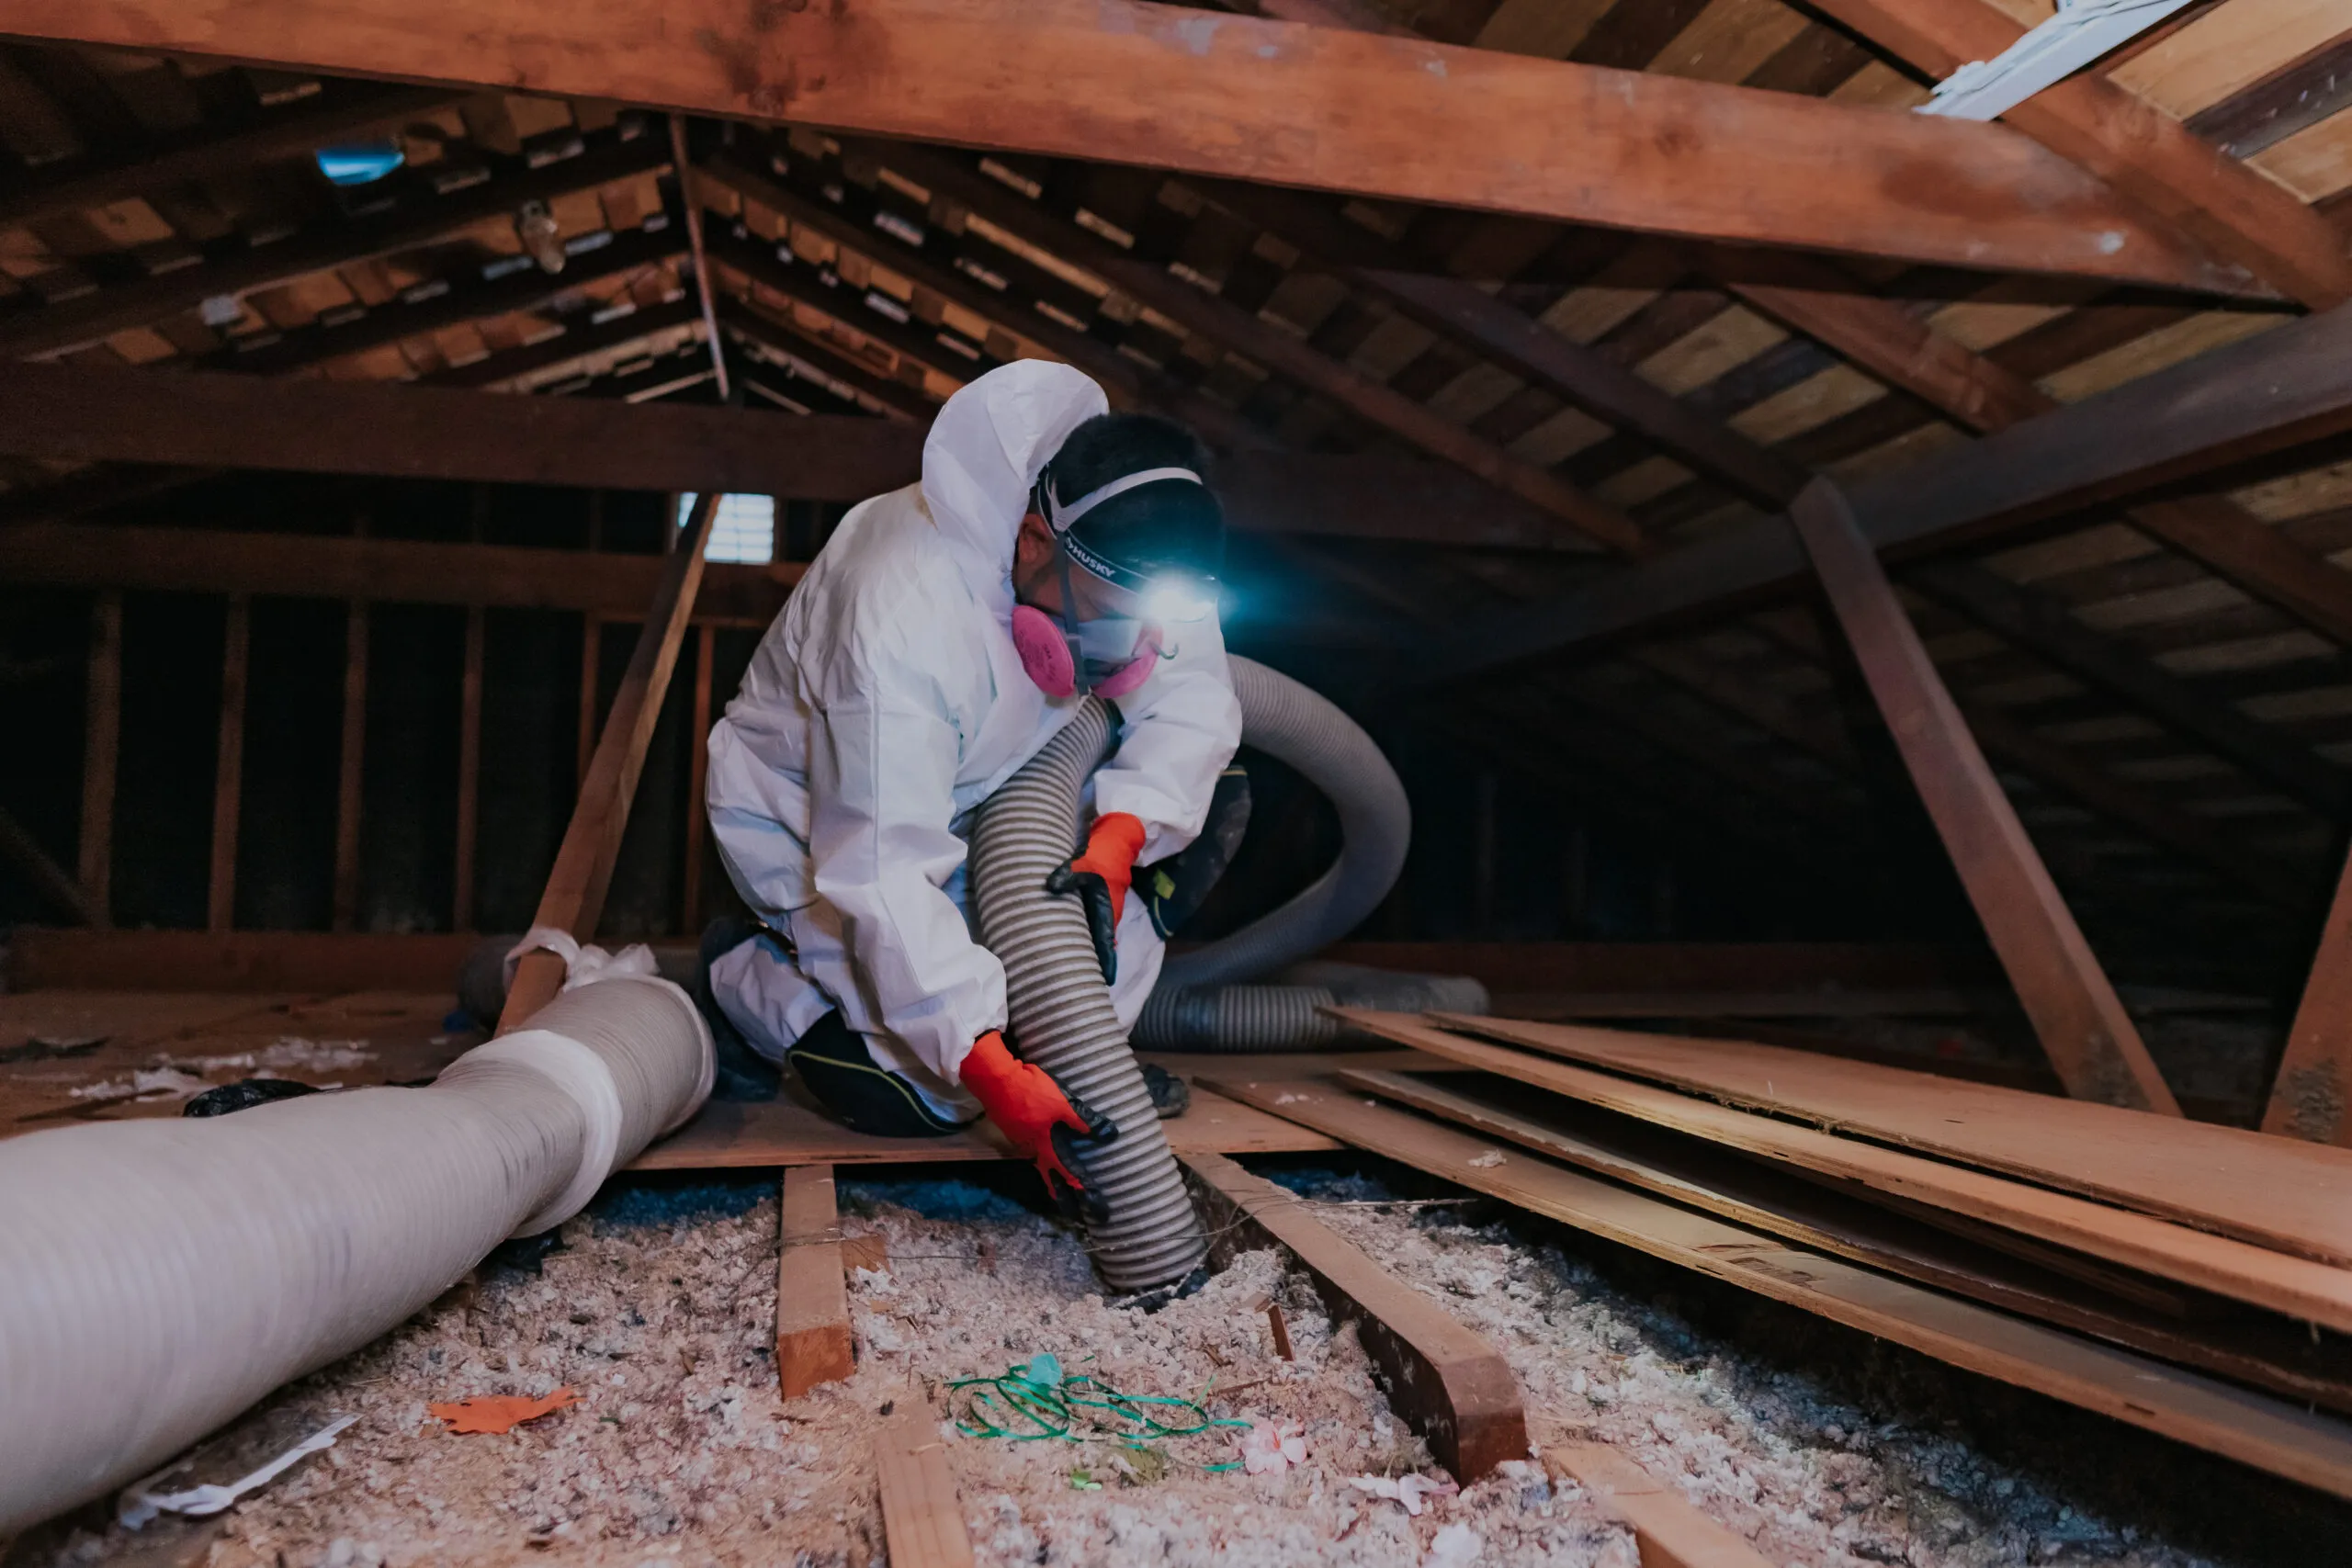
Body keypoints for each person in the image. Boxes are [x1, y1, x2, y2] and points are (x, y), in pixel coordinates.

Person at [698, 361, 1242, 1217]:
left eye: (1150, 618)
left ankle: (1073, 1037)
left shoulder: (1138, 550)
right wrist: (990, 1069)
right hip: (818, 826)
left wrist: (1122, 839)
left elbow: (1194, 698)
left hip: (996, 787)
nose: (1130, 644)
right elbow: (881, 868)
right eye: (1105, 611)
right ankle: (747, 973)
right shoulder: (902, 615)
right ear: (1032, 540)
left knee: (1209, 791)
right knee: (923, 1097)